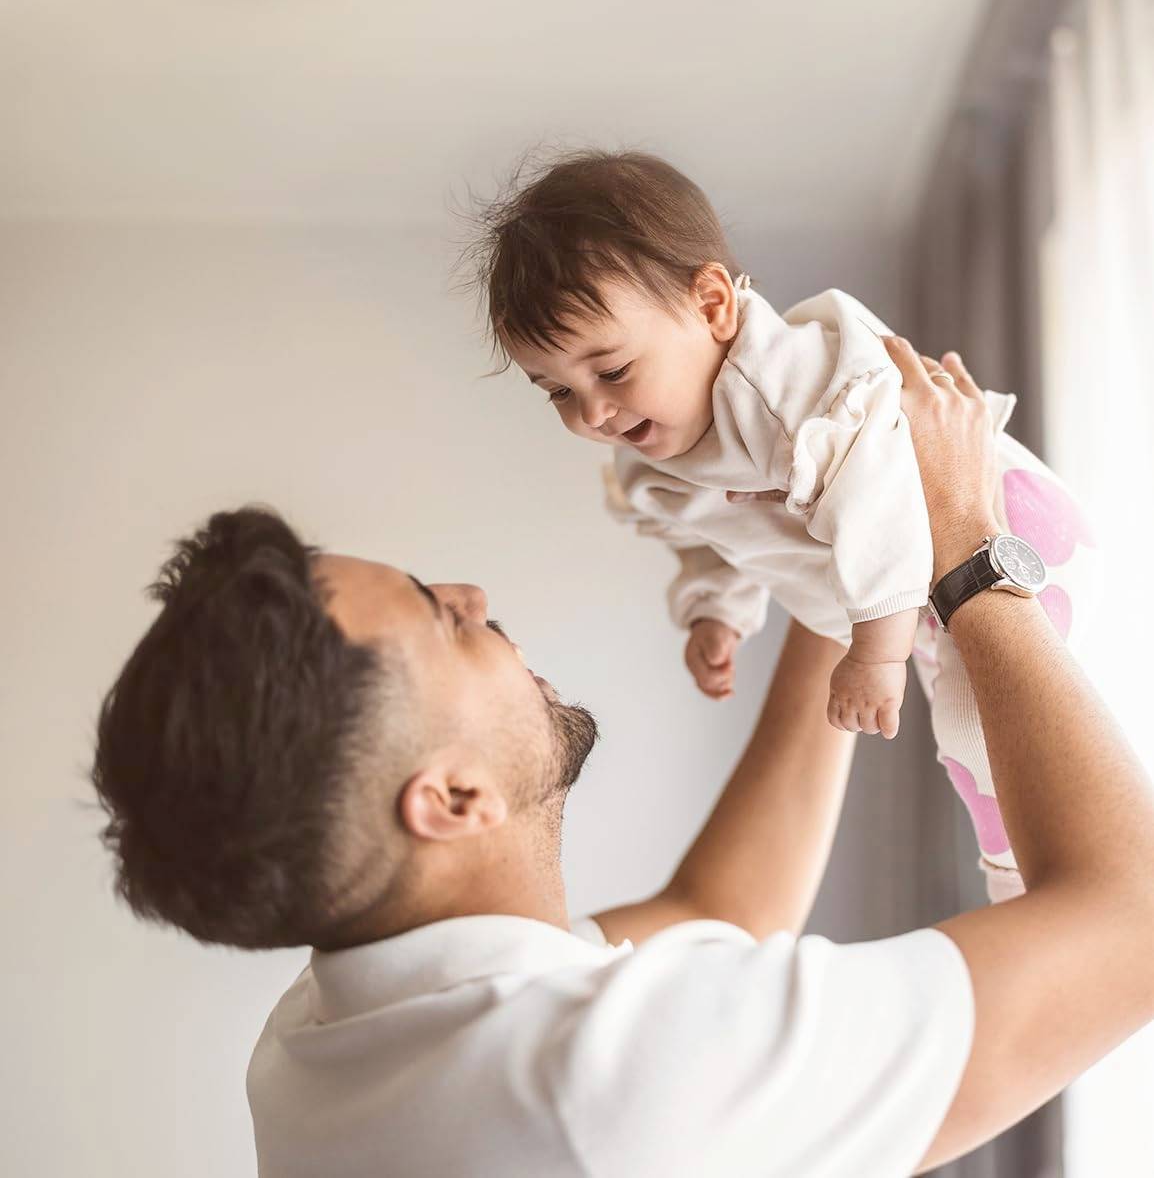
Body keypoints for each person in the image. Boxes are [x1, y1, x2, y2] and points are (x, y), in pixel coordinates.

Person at [90, 340, 1154, 1176]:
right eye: (436, 617)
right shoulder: (601, 1091)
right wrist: (964, 538)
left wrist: (844, 560)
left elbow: (721, 911)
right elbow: (1133, 916)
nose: (469, 594)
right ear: (452, 796)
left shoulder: (324, 1036)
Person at [470, 150, 1100, 902]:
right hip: (923, 592)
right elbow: (711, 534)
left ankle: (1034, 889)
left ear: (711, 306)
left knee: (984, 740)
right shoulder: (654, 456)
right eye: (557, 393)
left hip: (1002, 527)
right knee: (975, 755)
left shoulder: (787, 395)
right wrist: (717, 612)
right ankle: (1027, 883)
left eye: (610, 372)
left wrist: (874, 656)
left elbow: (876, 498)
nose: (593, 414)